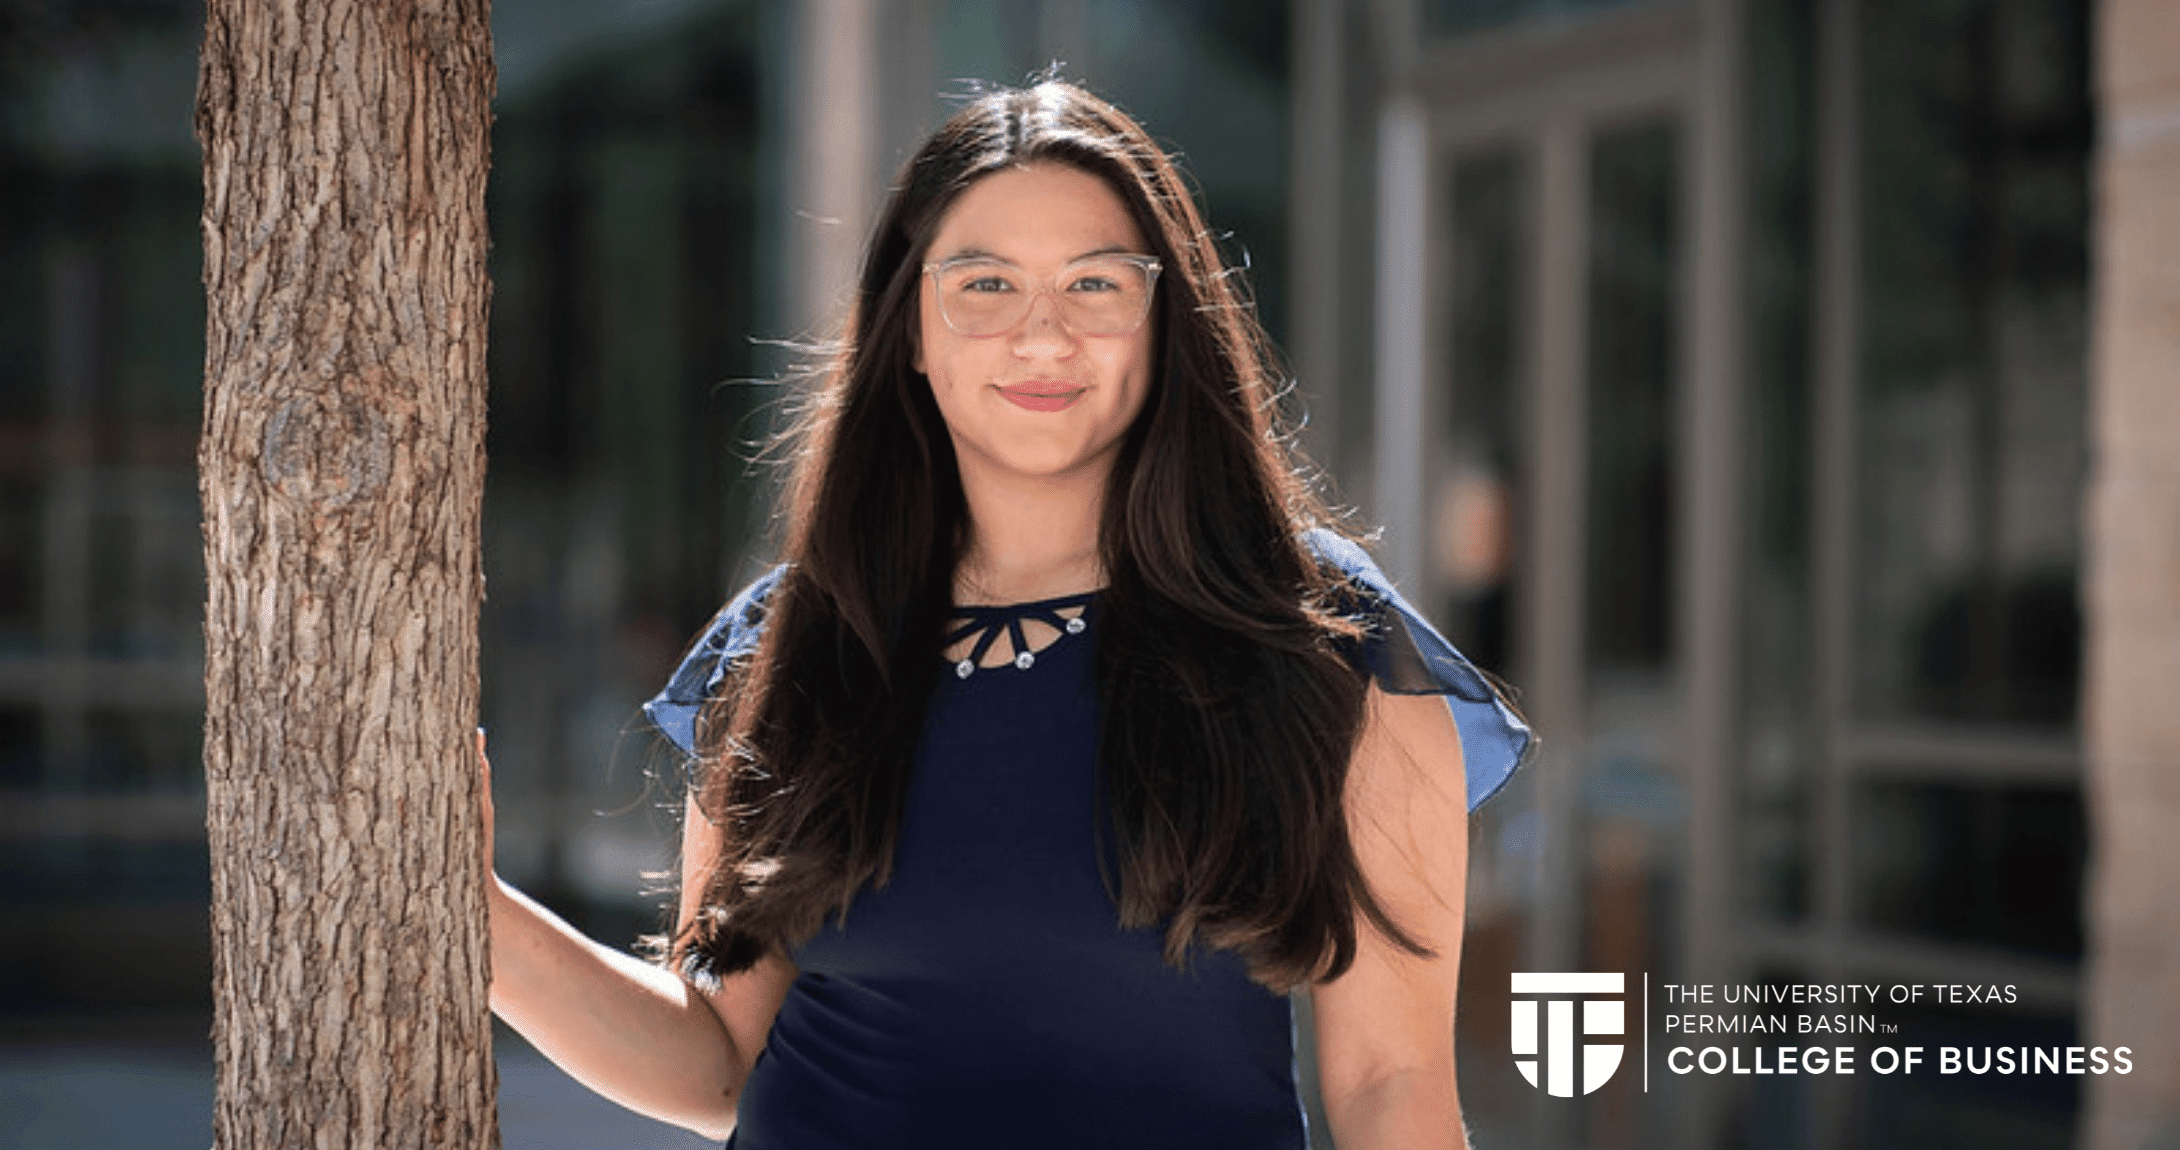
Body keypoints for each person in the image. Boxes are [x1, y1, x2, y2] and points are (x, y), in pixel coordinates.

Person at [482, 80, 1530, 1150]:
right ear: (911, 333)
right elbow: (713, 1062)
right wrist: (470, 908)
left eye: (1094, 284)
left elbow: (1391, 1088)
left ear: (1167, 324)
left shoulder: (1325, 641)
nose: (1042, 336)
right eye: (984, 284)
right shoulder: (793, 640)